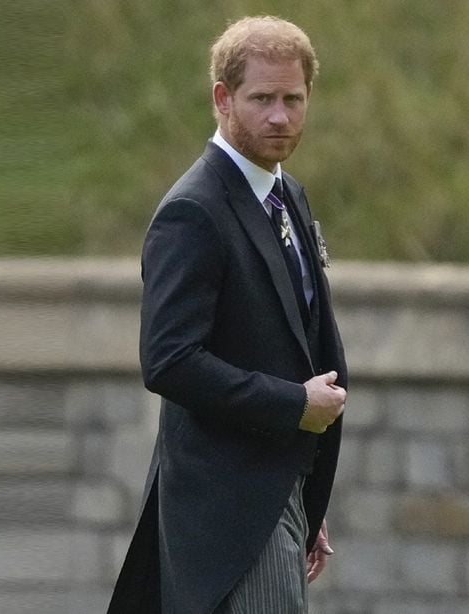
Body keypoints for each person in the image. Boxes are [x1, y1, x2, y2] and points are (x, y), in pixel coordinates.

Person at [106, 16, 348, 614]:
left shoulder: (286, 193)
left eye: (293, 100)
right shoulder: (192, 210)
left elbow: (294, 336)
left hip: (274, 493)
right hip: (227, 515)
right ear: (222, 98)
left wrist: (301, 496)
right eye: (261, 99)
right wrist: (293, 406)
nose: (280, 117)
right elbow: (169, 361)